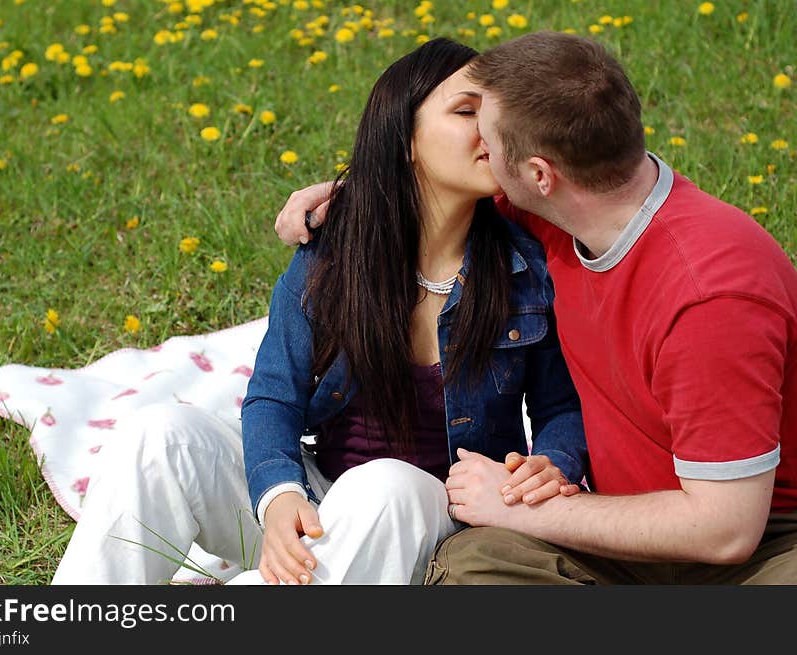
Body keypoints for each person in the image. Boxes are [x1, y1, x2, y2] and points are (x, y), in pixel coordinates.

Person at [50, 37, 588, 585]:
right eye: (466, 111)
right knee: (159, 434)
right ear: (404, 139)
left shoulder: (523, 270)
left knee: (385, 484)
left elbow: (562, 409)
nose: (489, 131)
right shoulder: (336, 253)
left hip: (436, 517)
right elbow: (273, 395)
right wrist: (281, 498)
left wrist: (552, 468)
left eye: (495, 115)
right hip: (321, 501)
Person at [274, 30, 797, 584]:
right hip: (619, 531)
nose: (480, 148)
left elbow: (726, 531)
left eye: (490, 139)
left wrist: (529, 508)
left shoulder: (709, 296)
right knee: (469, 569)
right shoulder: (564, 214)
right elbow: (428, 195)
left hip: (763, 541)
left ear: (540, 175)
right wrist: (351, 197)